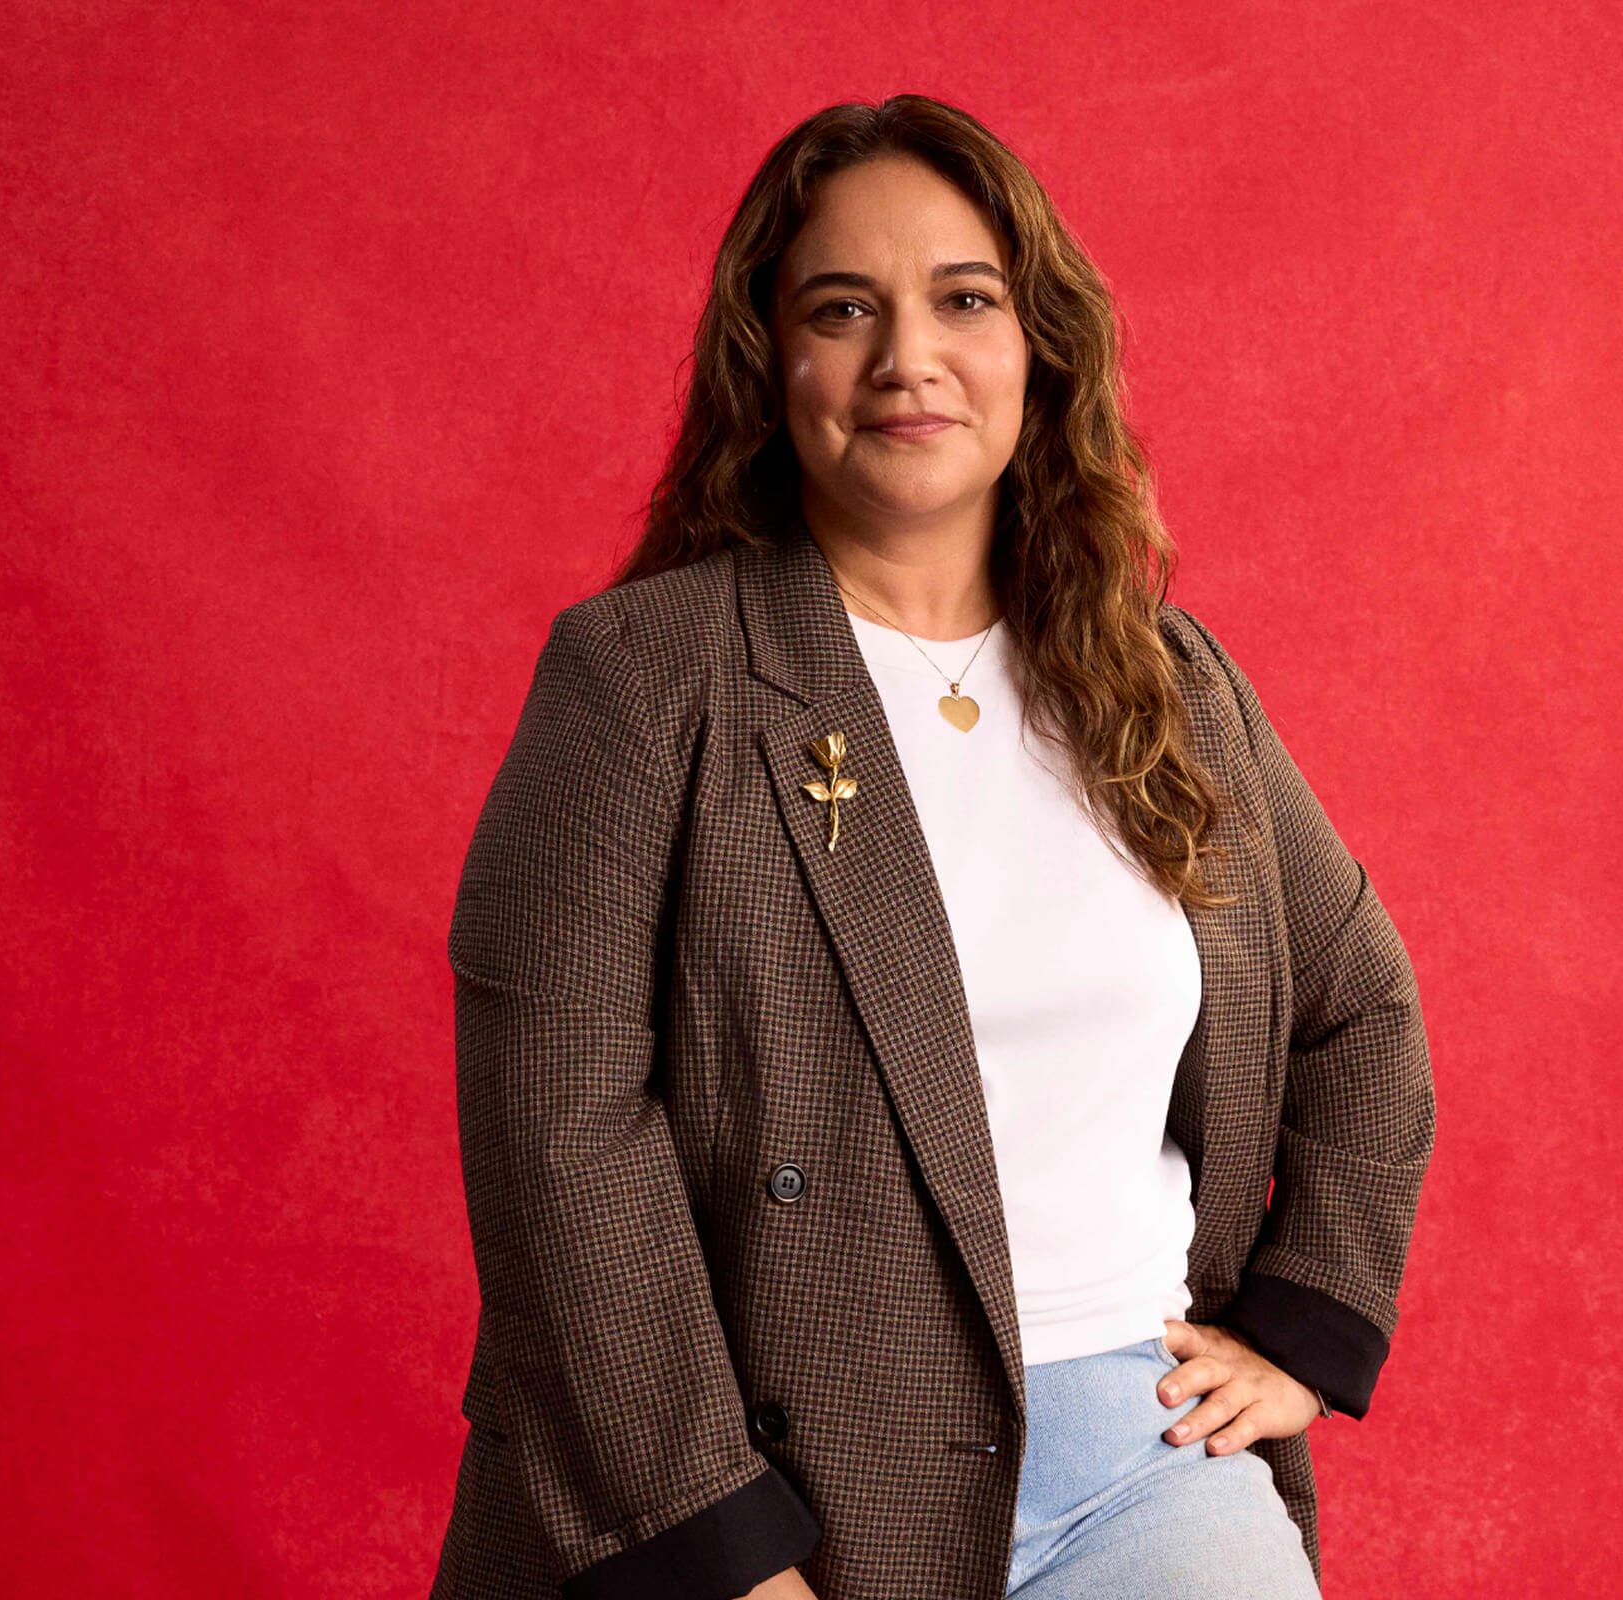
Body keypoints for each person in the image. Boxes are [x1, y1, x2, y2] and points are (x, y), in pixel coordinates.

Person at [430, 96, 1434, 1600]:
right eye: (845, 310)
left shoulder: (1169, 685)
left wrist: (1308, 1321)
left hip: (1142, 1454)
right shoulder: (644, 678)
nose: (910, 360)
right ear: (773, 367)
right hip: (772, 1473)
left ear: (1037, 346)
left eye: (963, 301)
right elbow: (555, 1131)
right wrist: (714, 1546)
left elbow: (1361, 1012)